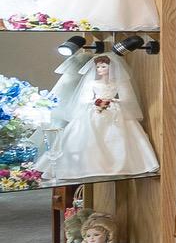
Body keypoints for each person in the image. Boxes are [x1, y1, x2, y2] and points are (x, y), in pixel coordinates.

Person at [35, 51, 158, 180]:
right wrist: (96, 102)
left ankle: (124, 164)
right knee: (84, 135)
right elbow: (83, 99)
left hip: (114, 111)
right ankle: (89, 165)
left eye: (103, 66)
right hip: (94, 110)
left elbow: (126, 98)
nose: (100, 69)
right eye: (98, 67)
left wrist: (113, 101)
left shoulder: (118, 83)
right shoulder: (92, 83)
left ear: (111, 67)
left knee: (118, 136)